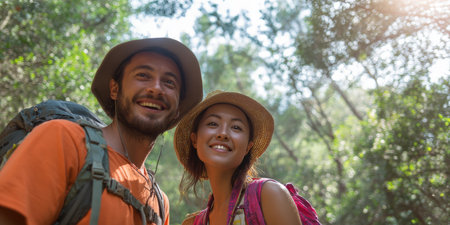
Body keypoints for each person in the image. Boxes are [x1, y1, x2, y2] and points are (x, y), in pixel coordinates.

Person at [0, 37, 203, 225]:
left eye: (169, 82)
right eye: (143, 75)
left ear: (178, 109)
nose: (156, 89)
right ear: (114, 89)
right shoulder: (64, 139)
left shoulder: (159, 203)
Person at [174, 91, 302, 225]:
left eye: (236, 127)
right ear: (194, 140)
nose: (223, 134)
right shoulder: (194, 223)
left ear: (248, 147)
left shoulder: (269, 195)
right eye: (213, 124)